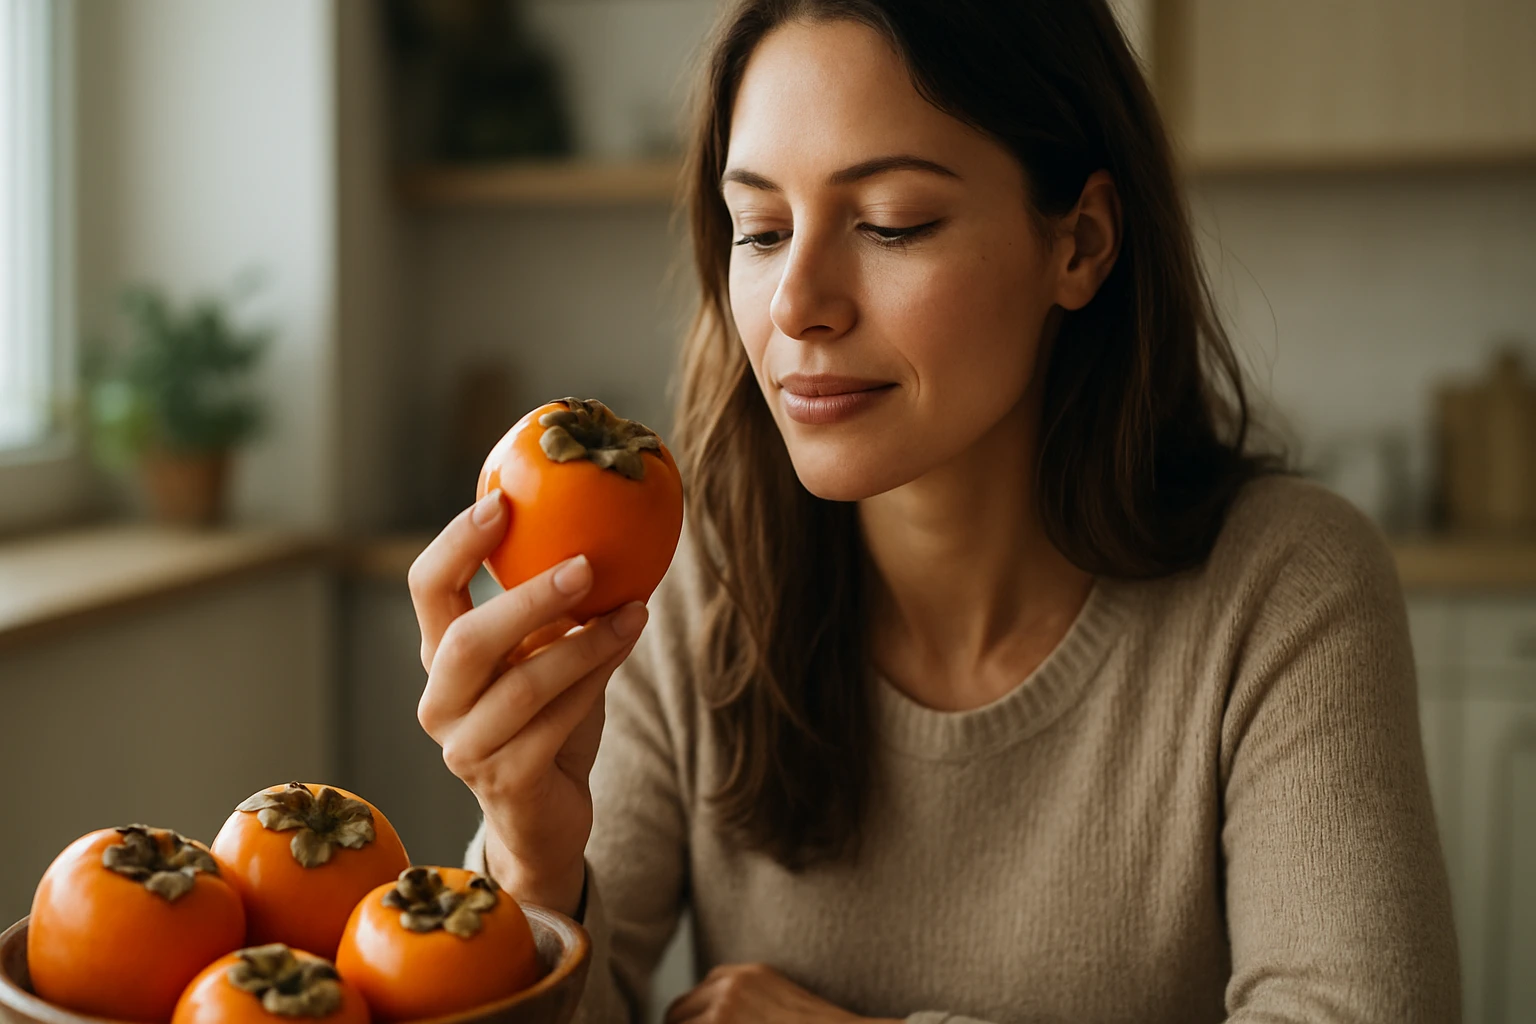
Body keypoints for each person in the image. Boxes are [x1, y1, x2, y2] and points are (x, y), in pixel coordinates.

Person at [407, 1, 1461, 1021]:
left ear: (1081, 243)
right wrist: (532, 866)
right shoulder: (687, 586)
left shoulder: (1284, 584)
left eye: (890, 223)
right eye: (761, 230)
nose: (796, 305)